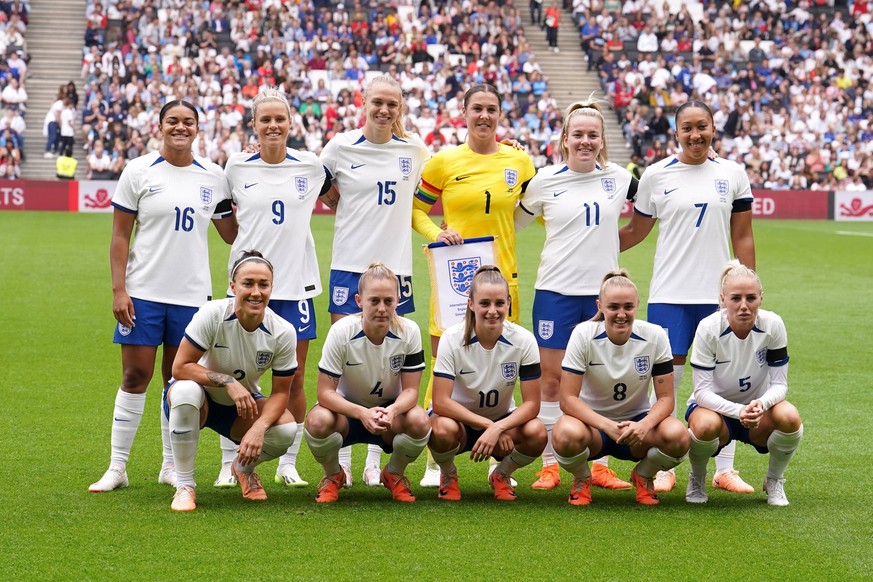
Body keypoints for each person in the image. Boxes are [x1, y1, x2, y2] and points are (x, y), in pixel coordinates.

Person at [89, 100, 236, 493]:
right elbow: (120, 235)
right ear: (160, 126)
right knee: (135, 376)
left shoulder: (214, 176)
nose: (181, 127)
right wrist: (119, 290)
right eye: (173, 121)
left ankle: (170, 465)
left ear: (198, 128)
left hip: (192, 298)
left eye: (188, 122)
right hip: (143, 293)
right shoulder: (138, 171)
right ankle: (117, 467)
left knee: (178, 382)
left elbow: (231, 233)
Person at [620, 99, 755, 494]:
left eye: (703, 127)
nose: (696, 135)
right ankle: (665, 462)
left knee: (724, 378)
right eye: (687, 128)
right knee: (667, 380)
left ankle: (724, 468)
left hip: (720, 297)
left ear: (714, 128)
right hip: (670, 293)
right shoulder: (656, 175)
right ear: (675, 133)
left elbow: (743, 235)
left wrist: (746, 287)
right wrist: (590, 247)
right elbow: (635, 232)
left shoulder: (732, 173)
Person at [413, 83, 536, 486]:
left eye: (492, 109)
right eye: (477, 108)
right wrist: (436, 233)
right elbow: (416, 209)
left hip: (505, 280)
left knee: (502, 366)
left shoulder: (520, 161)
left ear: (501, 114)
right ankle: (437, 461)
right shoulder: (443, 162)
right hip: (455, 280)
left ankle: (495, 454)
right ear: (463, 112)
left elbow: (536, 205)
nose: (484, 116)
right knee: (443, 364)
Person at [515, 98, 639, 491]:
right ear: (564, 139)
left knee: (597, 379)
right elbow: (512, 223)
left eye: (593, 135)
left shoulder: (619, 178)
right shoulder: (544, 181)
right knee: (551, 380)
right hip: (555, 291)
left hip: (602, 297)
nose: (585, 141)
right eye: (578, 135)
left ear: (602, 140)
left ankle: (598, 464)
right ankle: (550, 462)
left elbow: (657, 198)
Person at [216, 87, 332, 490]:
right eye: (264, 119)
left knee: (294, 378)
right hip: (247, 287)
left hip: (295, 286)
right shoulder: (235, 167)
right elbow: (225, 224)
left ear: (290, 123)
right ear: (254, 125)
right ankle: (229, 460)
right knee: (235, 375)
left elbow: (339, 192)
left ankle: (287, 461)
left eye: (279, 119)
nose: (272, 125)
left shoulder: (312, 166)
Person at [319, 75, 430, 487]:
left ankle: (373, 459)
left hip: (396, 271)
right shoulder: (339, 147)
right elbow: (323, 189)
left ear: (400, 108)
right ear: (362, 102)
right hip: (350, 267)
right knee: (347, 365)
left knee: (390, 365)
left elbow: (447, 173)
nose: (384, 110)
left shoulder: (415, 150)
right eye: (377, 102)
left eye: (392, 104)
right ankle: (343, 454)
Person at [164, 251, 300, 511]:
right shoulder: (213, 313)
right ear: (233, 285)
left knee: (285, 429)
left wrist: (259, 427)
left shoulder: (283, 331)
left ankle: (243, 469)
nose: (256, 292)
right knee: (185, 393)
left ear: (272, 287)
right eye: (248, 283)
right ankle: (185, 485)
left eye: (264, 284)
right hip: (198, 399)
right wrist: (227, 380)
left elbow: (281, 393)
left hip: (239, 409)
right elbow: (180, 367)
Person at [552, 271, 690, 505]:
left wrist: (644, 425)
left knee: (679, 437)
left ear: (637, 304)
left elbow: (666, 398)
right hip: (592, 426)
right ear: (600, 306)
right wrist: (607, 426)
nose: (621, 314)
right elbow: (567, 400)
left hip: (637, 425)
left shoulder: (654, 336)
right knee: (565, 434)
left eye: (628, 306)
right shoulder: (583, 334)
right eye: (613, 306)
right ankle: (582, 478)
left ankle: (643, 475)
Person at [303, 263, 430, 503]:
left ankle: (393, 474)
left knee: (420, 421)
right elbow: (324, 393)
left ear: (398, 300)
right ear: (359, 300)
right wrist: (362, 413)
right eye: (374, 301)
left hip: (388, 417)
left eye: (388, 301)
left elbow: (412, 391)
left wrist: (391, 411)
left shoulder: (410, 332)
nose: (382, 309)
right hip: (347, 414)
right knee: (318, 421)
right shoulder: (341, 332)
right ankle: (333, 476)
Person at [685, 262, 803, 506]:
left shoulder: (773, 325)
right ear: (722, 299)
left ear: (761, 298)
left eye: (751, 298)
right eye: (735, 298)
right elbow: (702, 392)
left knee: (790, 417)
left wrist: (761, 404)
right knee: (705, 425)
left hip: (758, 413)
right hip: (716, 412)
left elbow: (780, 385)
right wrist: (738, 411)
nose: (743, 306)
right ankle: (697, 477)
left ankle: (774, 480)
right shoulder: (708, 328)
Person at [427, 266, 547, 501]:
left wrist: (499, 427)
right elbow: (440, 402)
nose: (492, 311)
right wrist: (488, 426)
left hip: (501, 422)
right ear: (471, 303)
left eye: (499, 303)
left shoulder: (524, 340)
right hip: (458, 423)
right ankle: (448, 474)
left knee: (537, 432)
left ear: (508, 303)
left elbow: (532, 404)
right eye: (484, 303)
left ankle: (501, 475)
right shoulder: (452, 338)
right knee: (441, 430)